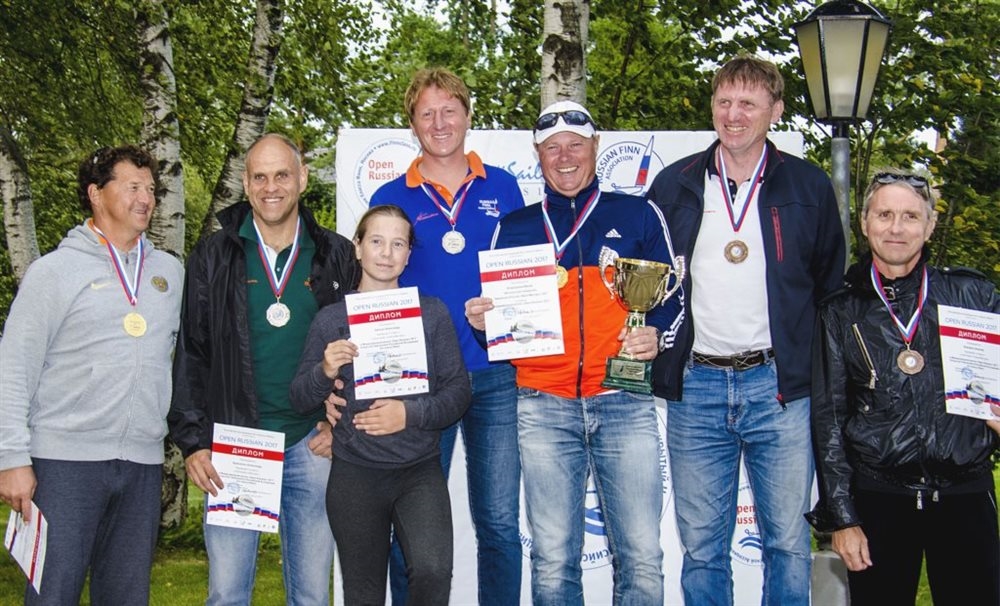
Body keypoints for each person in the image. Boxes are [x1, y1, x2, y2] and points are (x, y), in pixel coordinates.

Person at [466, 100, 683, 605]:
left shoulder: (637, 213)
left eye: (575, 146)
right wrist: (483, 326)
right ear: (538, 155)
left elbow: (673, 297)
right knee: (552, 559)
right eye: (552, 148)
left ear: (595, 147)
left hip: (622, 400)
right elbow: (499, 333)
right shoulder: (514, 227)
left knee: (641, 557)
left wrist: (655, 334)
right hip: (542, 404)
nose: (564, 157)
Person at [647, 55, 846, 605]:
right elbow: (650, 280)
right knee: (702, 549)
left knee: (786, 543)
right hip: (696, 387)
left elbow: (829, 287)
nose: (733, 115)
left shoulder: (808, 184)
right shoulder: (673, 183)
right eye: (724, 102)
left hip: (778, 388)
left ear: (775, 111)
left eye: (748, 104)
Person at [168, 133, 358, 605]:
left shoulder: (335, 253)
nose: (271, 187)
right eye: (259, 177)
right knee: (227, 594)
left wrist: (342, 426)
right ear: (246, 183)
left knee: (311, 596)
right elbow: (192, 351)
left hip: (311, 444)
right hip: (235, 446)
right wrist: (194, 442)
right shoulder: (214, 254)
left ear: (303, 179)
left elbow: (359, 351)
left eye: (281, 175)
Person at [369, 67, 526, 606]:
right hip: (421, 384)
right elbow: (377, 285)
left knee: (499, 523)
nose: (439, 123)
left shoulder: (503, 187)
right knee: (411, 523)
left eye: (449, 111)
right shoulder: (392, 195)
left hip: (495, 375)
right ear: (412, 124)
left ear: (467, 115)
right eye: (427, 114)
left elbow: (527, 275)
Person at [0, 145, 183, 604]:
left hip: (142, 464)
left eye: (151, 189)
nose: (146, 198)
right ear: (96, 194)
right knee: (52, 594)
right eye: (133, 187)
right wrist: (11, 458)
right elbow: (14, 367)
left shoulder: (170, 273)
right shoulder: (53, 272)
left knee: (126, 596)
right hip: (64, 464)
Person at [808, 170, 1000, 605]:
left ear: (930, 226)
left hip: (965, 493)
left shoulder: (973, 296)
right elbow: (829, 420)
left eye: (911, 216)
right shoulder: (840, 311)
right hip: (879, 497)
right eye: (885, 214)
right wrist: (843, 518)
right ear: (865, 223)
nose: (896, 228)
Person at [290, 204, 471, 605]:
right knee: (363, 594)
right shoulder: (331, 319)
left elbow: (458, 392)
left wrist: (409, 413)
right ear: (357, 247)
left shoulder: (432, 313)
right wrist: (324, 370)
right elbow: (300, 396)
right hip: (356, 473)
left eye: (398, 244)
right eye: (376, 241)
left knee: (433, 572)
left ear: (408, 254)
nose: (386, 253)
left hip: (418, 470)